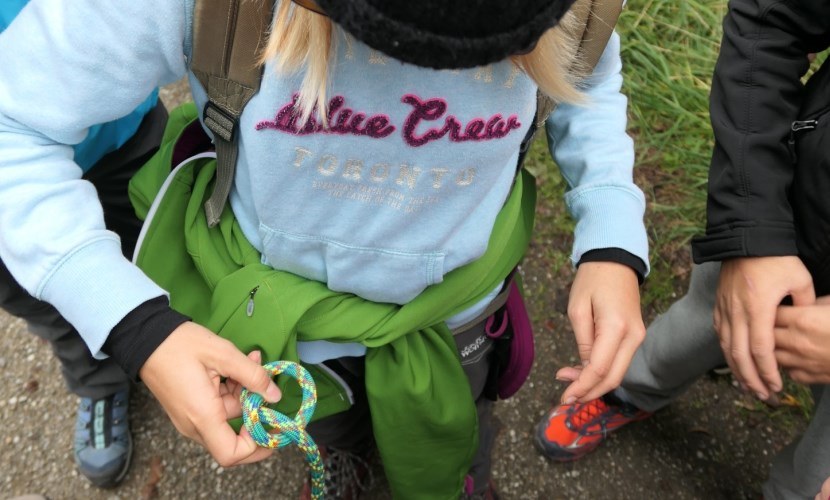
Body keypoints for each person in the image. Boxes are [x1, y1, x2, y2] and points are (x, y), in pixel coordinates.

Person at [0, 0, 649, 497]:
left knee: (460, 422)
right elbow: (15, 124)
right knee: (332, 423)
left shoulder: (570, 13)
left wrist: (611, 232)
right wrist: (135, 325)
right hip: (294, 328)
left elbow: (586, 81)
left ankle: (456, 471)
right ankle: (345, 460)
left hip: (458, 314)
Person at [534, 1, 830, 498]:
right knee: (696, 323)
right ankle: (631, 389)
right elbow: (772, 15)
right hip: (790, 222)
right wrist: (752, 230)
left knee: (808, 482)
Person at [0, 0, 169, 488]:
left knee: (163, 238)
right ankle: (101, 382)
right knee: (43, 298)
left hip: (114, 126)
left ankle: (187, 328)